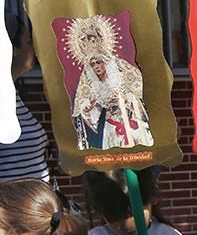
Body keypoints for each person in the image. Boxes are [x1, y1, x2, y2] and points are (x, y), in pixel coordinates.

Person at [0, 14, 56, 205]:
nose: (34, 49)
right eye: (29, 42)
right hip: (15, 218)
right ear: (11, 48)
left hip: (31, 215)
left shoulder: (8, 93)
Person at [65, 15, 153, 151]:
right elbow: (83, 107)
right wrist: (89, 107)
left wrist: (127, 99)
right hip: (110, 126)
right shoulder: (90, 80)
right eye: (92, 64)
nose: (96, 67)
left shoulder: (120, 67)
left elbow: (138, 86)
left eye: (99, 62)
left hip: (130, 120)